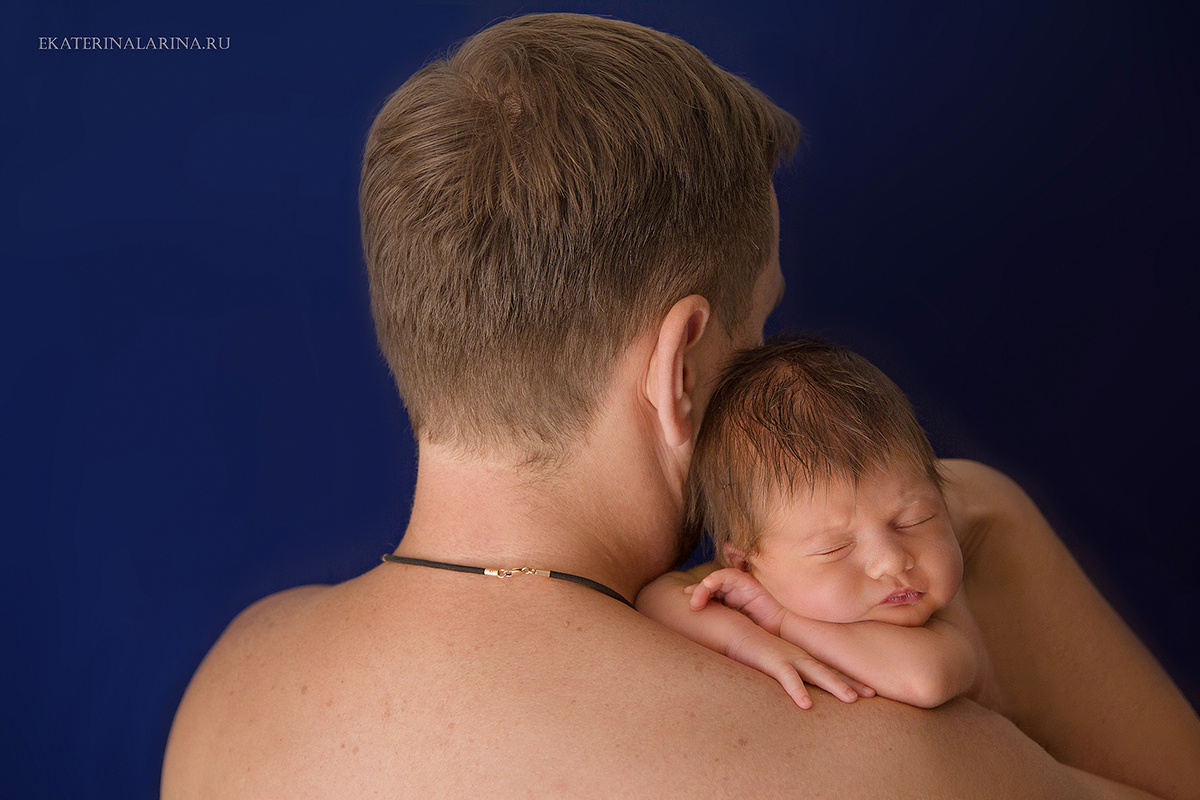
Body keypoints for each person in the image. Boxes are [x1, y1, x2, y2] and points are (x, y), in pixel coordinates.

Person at [161, 13, 1200, 799]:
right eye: (760, 323)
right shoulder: (876, 750)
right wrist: (987, 518)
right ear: (683, 364)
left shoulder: (231, 692)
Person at [637, 336, 1003, 713]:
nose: (892, 561)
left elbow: (926, 677)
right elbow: (657, 599)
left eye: (915, 520)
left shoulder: (939, 615)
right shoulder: (749, 581)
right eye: (835, 548)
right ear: (747, 564)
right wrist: (742, 639)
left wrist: (782, 622)